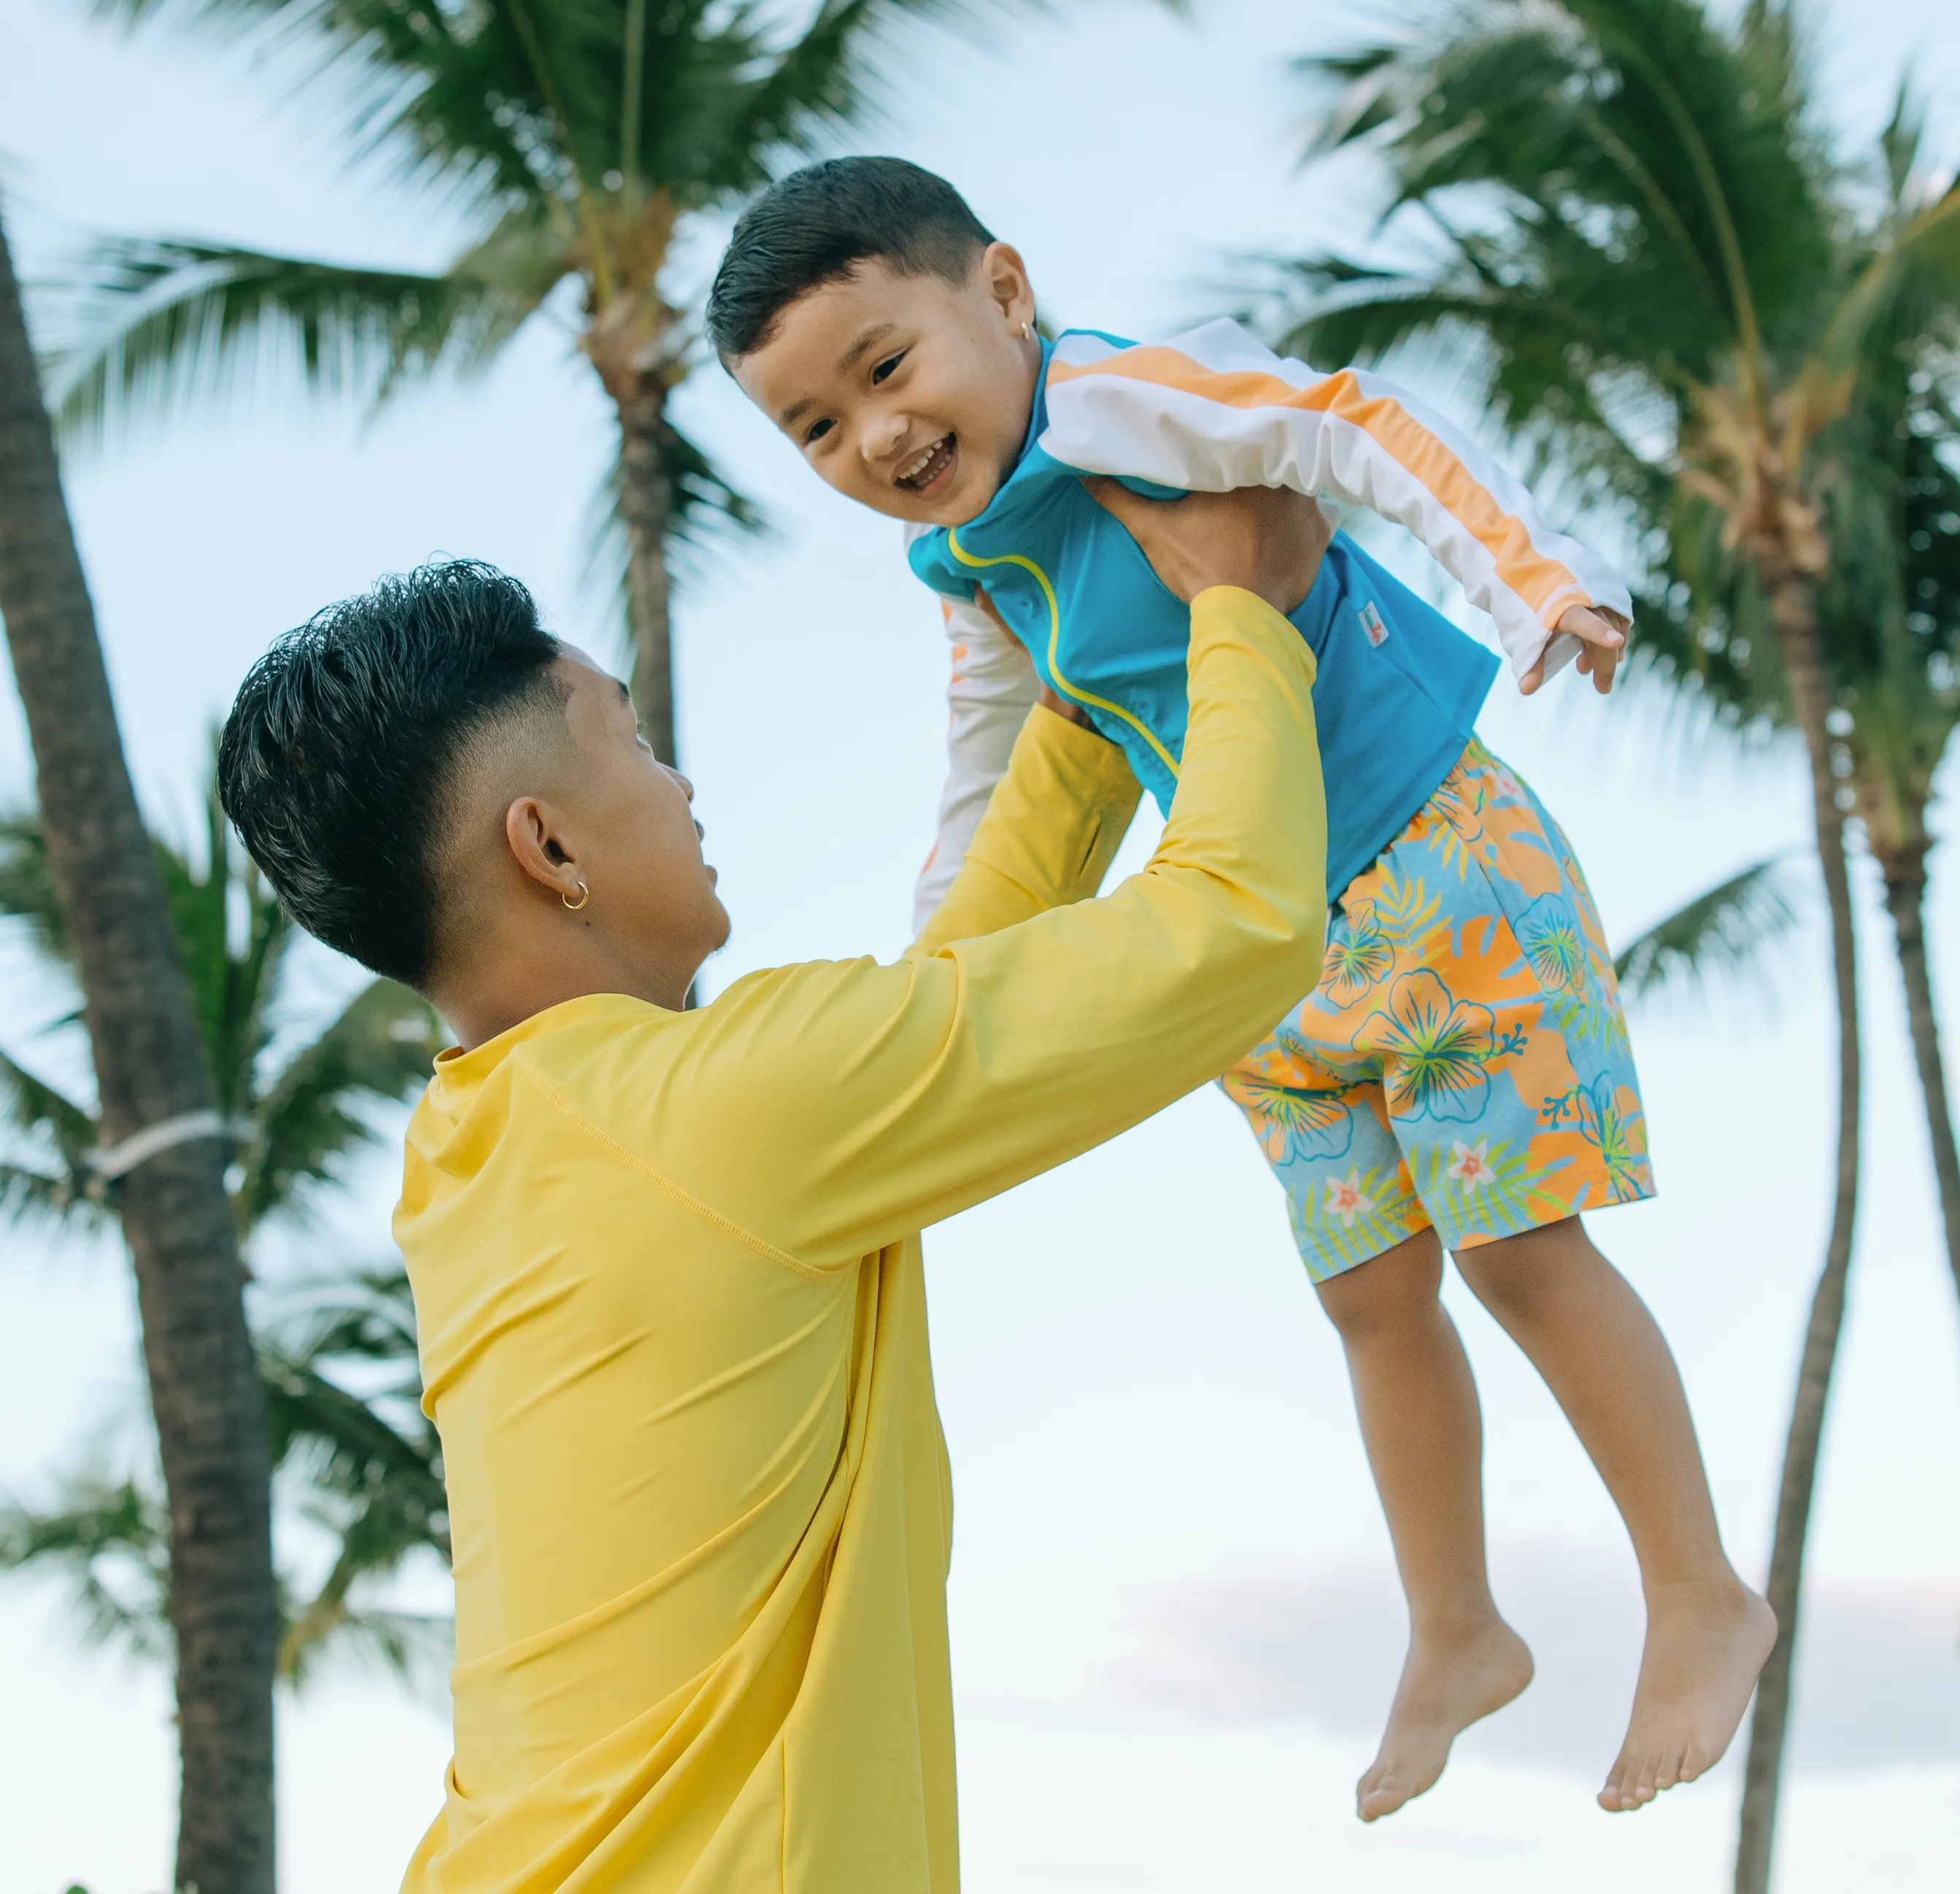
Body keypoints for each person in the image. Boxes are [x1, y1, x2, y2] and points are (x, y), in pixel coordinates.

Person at [710, 155, 1778, 1823]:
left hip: (1439, 865)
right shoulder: (971, 563)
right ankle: (1456, 1629)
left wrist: (1535, 578)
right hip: (1272, 947)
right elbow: (988, 776)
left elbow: (1344, 425)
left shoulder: (1126, 396)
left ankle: (1701, 1591)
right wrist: (936, 975)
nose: (876, 439)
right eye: (816, 430)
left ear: (1003, 292)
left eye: (885, 367)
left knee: (1516, 1253)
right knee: (1368, 1295)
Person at [214, 510, 1332, 1894]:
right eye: (630, 740)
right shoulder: (714, 1116)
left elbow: (936, 1018)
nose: (680, 787)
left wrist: (1084, 710)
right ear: (547, 846)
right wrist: (1240, 613)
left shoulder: (488, 1142)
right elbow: (1239, 924)